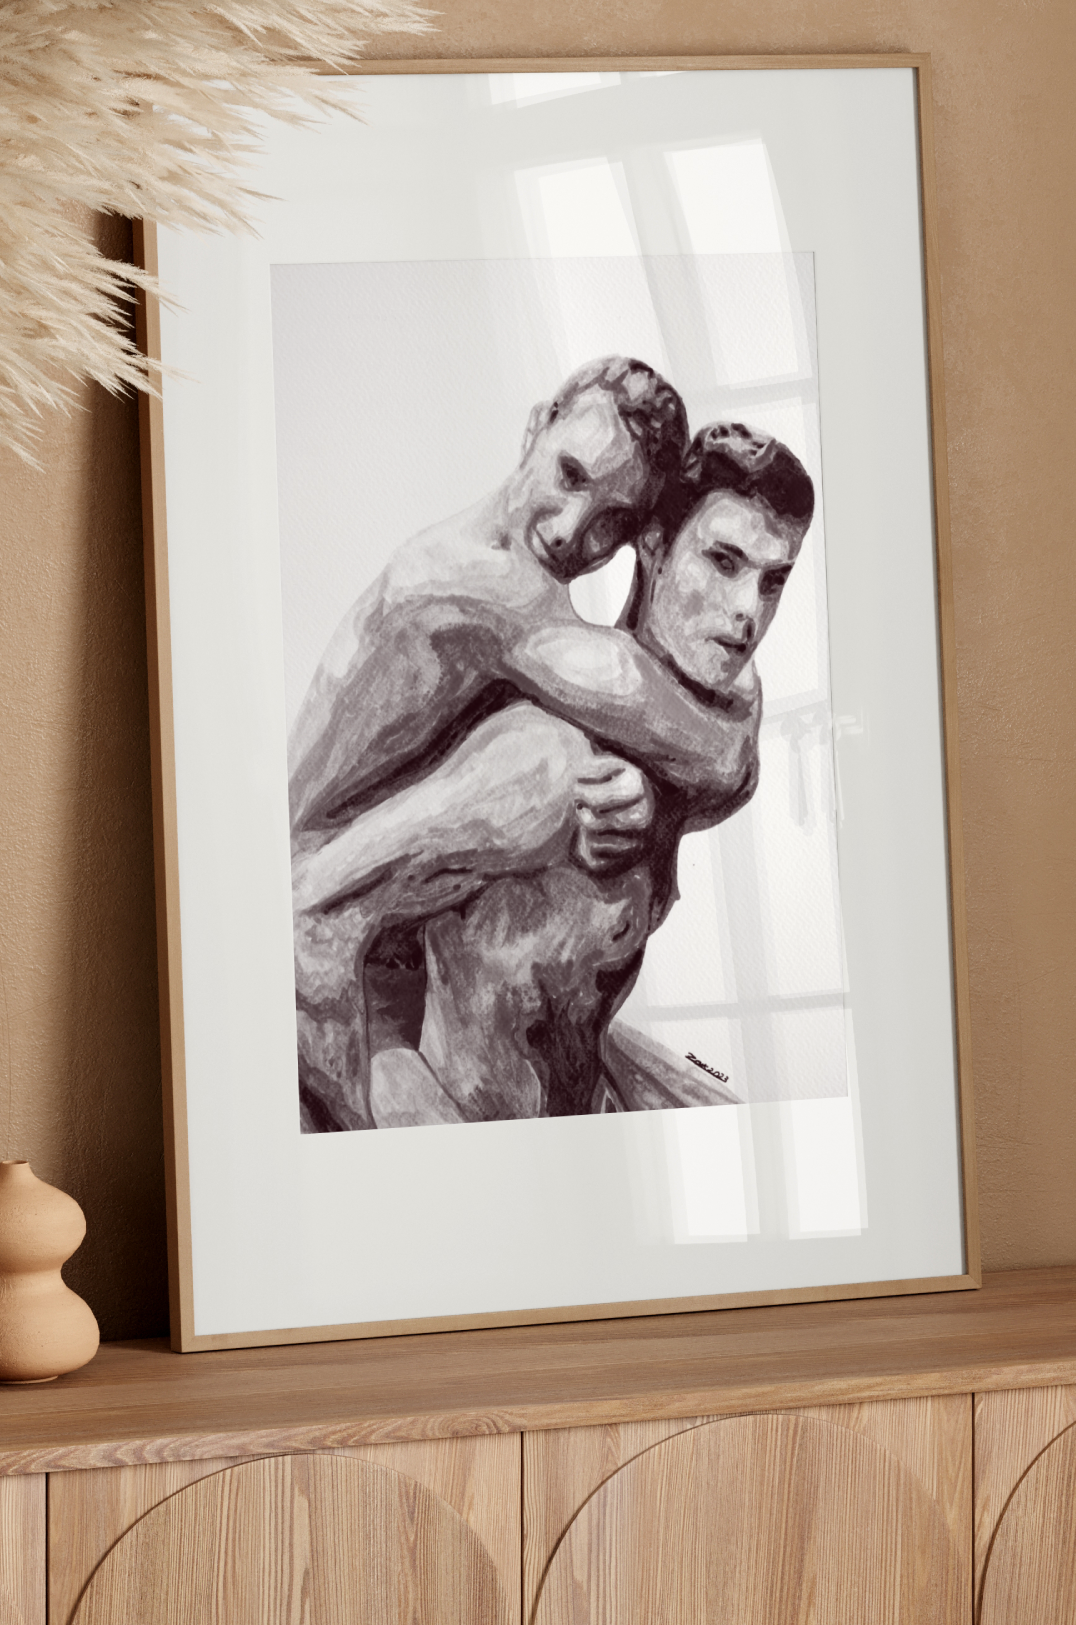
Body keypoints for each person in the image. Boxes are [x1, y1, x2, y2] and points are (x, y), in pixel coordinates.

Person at [288, 358, 763, 1130]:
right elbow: (712, 752)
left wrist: (644, 798)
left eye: (612, 519)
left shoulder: (514, 590)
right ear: (536, 424)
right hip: (322, 941)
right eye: (570, 472)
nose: (570, 530)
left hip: (383, 934)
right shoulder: (475, 588)